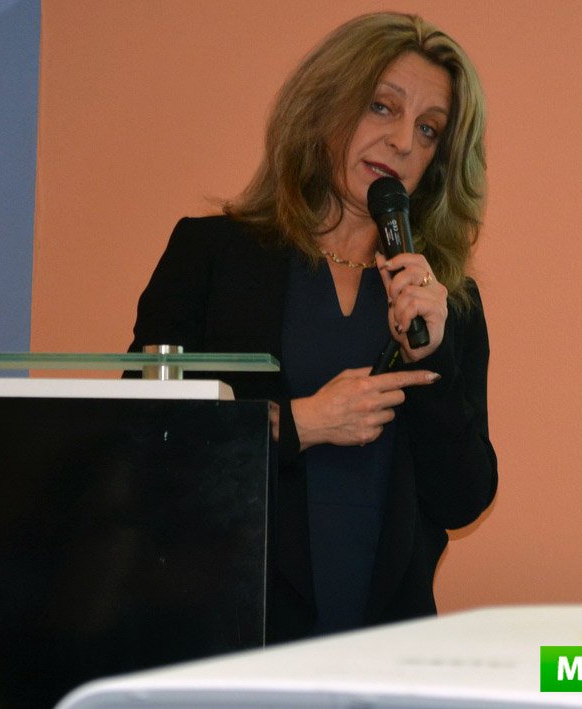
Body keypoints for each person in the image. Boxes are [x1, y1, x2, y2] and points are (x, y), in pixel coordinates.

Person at [128, 12, 496, 644]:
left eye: (428, 129)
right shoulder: (212, 257)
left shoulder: (444, 302)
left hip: (386, 649)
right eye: (382, 107)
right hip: (232, 636)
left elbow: (461, 500)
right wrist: (300, 423)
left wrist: (432, 356)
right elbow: (143, 450)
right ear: (324, 106)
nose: (403, 142)